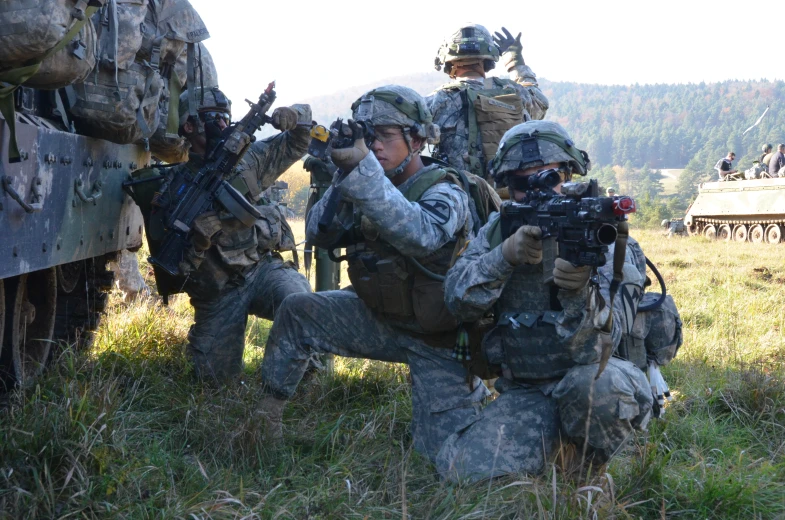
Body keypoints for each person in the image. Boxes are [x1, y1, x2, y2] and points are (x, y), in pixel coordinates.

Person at [256, 85, 490, 459]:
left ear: (416, 140)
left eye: (384, 135)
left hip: (438, 340)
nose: (375, 146)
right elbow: (319, 231)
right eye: (368, 136)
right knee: (297, 311)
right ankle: (263, 423)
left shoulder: (446, 189)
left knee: (446, 459)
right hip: (380, 319)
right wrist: (343, 175)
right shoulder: (364, 178)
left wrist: (364, 173)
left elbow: (422, 235)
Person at [439, 120, 653, 482]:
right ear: (508, 187)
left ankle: (588, 474)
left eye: (550, 177)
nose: (539, 190)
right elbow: (456, 302)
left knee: (597, 388)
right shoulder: (498, 230)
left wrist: (577, 293)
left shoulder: (605, 237)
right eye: (523, 183)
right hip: (528, 390)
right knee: (462, 472)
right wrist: (503, 257)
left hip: (596, 379)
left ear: (569, 174)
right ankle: (552, 446)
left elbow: (602, 346)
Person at [128, 87, 313, 381]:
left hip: (262, 271)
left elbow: (299, 141)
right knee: (213, 383)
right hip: (218, 292)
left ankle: (296, 380)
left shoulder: (250, 159)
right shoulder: (171, 188)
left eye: (225, 117)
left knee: (299, 303)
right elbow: (177, 269)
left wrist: (297, 115)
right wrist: (199, 242)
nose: (223, 124)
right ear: (189, 126)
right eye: (212, 118)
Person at [427, 24, 549, 180]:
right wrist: (514, 59)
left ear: (447, 61)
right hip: (511, 197)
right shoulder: (515, 91)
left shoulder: (437, 100)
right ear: (488, 58)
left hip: (460, 198)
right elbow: (540, 103)